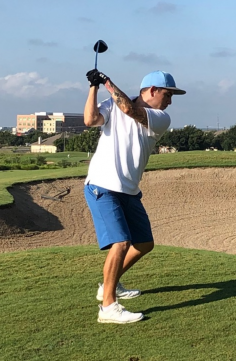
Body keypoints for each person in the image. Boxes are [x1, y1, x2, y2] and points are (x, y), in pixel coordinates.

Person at [83, 69, 186, 324]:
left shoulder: (161, 117)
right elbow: (89, 120)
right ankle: (108, 307)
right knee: (121, 243)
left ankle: (109, 284)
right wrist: (93, 87)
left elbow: (129, 110)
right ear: (152, 90)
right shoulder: (112, 104)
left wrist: (106, 81)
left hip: (129, 190)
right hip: (102, 185)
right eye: (168, 94)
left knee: (144, 244)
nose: (170, 101)